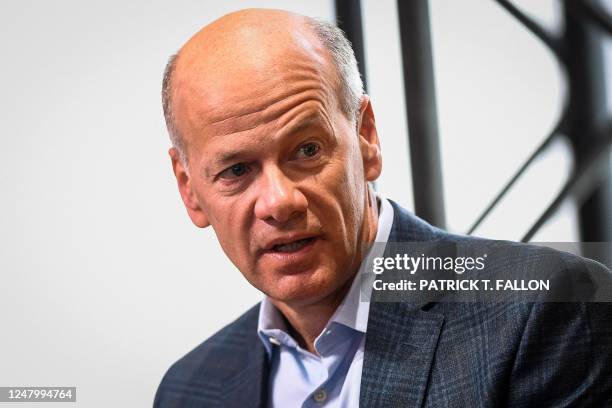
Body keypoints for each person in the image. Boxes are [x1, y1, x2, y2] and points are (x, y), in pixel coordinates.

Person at [154, 8, 612, 407]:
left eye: (308, 150)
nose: (280, 202)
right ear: (189, 189)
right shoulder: (189, 389)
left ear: (366, 137)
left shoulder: (544, 308)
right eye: (236, 171)